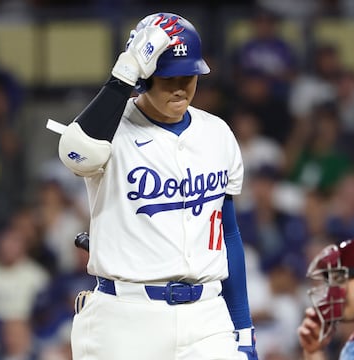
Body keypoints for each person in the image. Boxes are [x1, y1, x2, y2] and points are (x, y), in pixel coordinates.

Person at [55, 13, 257, 359]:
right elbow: (76, 154)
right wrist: (125, 72)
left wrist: (243, 327)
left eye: (188, 76)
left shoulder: (217, 133)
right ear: (144, 79)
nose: (180, 87)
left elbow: (229, 235)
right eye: (168, 78)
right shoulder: (109, 129)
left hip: (206, 317)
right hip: (126, 317)